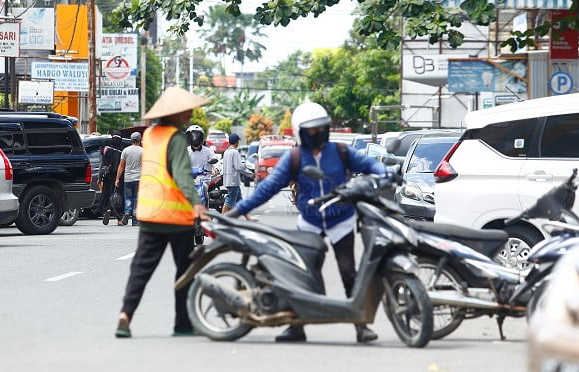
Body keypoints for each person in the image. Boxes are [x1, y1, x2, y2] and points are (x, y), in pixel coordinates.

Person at [227, 101, 386, 344]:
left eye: (319, 129)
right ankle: (296, 327)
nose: (315, 134)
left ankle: (361, 326)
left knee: (348, 274)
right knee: (301, 276)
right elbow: (268, 188)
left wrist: (384, 173)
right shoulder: (294, 158)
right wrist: (238, 211)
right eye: (310, 130)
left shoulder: (341, 151)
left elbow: (370, 165)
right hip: (309, 222)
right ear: (300, 132)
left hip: (341, 221)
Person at [115, 87, 210, 338]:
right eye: (186, 110)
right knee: (185, 271)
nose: (190, 113)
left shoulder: (151, 134)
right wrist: (197, 203)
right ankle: (183, 324)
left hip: (149, 212)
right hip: (176, 216)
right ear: (175, 114)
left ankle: (126, 314)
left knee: (141, 269)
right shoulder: (177, 138)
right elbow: (181, 174)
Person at [221, 133, 256, 221]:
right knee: (229, 200)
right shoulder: (235, 152)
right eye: (238, 142)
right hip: (233, 181)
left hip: (229, 180)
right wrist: (250, 174)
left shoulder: (226, 152)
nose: (238, 143)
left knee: (240, 201)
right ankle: (221, 220)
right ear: (236, 142)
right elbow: (239, 167)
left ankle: (247, 218)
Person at [115, 131, 143, 226]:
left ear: (131, 140)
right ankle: (135, 220)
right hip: (139, 178)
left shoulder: (126, 150)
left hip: (128, 178)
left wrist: (117, 179)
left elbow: (121, 166)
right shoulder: (143, 151)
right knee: (137, 199)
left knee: (128, 198)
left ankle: (127, 212)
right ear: (140, 140)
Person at [98, 132, 124, 225]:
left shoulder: (106, 149)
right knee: (118, 196)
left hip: (107, 176)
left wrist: (100, 177)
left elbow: (102, 164)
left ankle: (107, 209)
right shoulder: (122, 151)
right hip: (119, 177)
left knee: (106, 194)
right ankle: (119, 219)